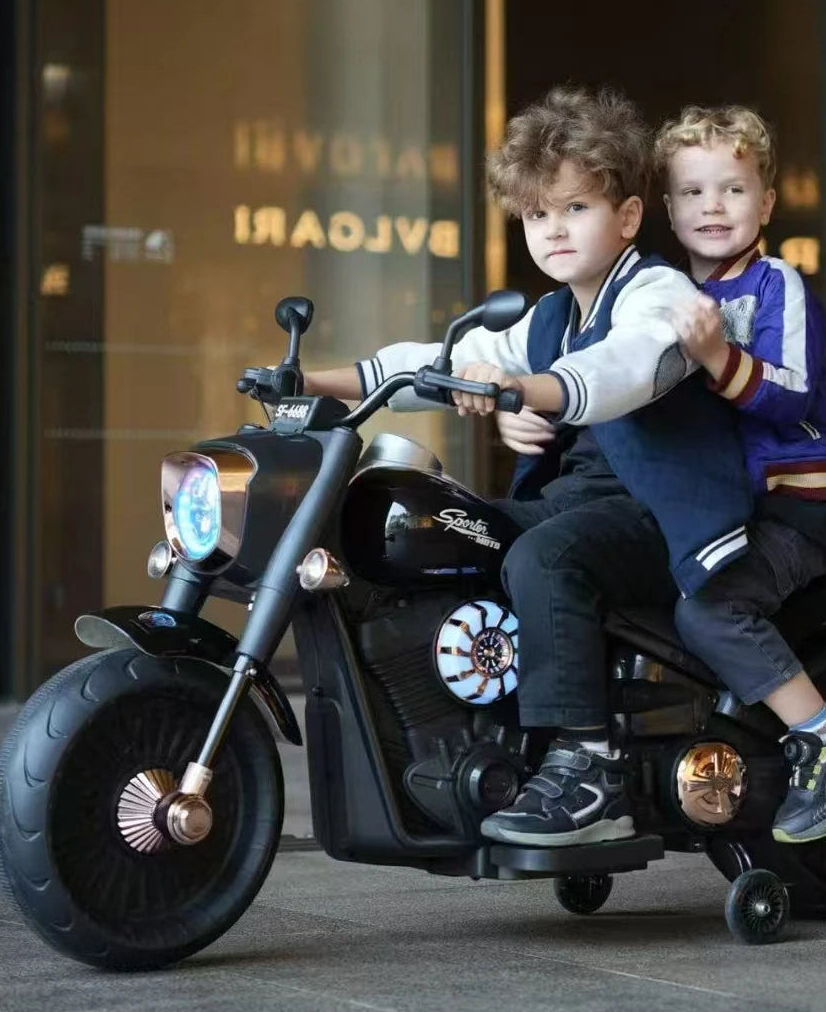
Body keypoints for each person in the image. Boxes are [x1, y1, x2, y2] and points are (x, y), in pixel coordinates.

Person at [303, 85, 753, 847]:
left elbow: (622, 369)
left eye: (575, 208)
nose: (553, 230)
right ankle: (445, 736)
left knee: (545, 557)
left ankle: (588, 768)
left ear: (629, 217)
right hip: (579, 508)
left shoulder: (657, 293)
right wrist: (315, 381)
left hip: (664, 518)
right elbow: (441, 361)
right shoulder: (547, 316)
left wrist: (527, 389)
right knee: (435, 526)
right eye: (538, 215)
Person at [651, 104, 826, 843]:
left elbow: (788, 396)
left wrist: (717, 356)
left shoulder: (774, 284)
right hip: (717, 507)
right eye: (692, 192)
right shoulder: (665, 298)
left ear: (768, 203)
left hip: (789, 512)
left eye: (732, 189)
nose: (712, 206)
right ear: (665, 207)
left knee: (710, 610)